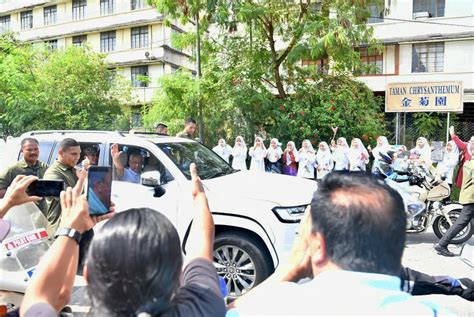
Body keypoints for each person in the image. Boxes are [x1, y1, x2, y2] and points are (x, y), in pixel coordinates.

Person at [20, 164, 226, 317]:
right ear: (179, 276)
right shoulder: (205, 306)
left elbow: (42, 296)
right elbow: (201, 248)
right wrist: (199, 197)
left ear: (87, 273)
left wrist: (72, 228)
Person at [228, 172, 444, 315]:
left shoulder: (273, 308)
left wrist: (288, 271)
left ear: (318, 246)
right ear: (399, 242)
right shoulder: (434, 312)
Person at [434, 136, 474, 257]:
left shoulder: (469, 161)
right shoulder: (472, 163)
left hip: (468, 196)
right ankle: (442, 244)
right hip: (471, 197)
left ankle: (442, 244)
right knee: (461, 222)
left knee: (462, 222)